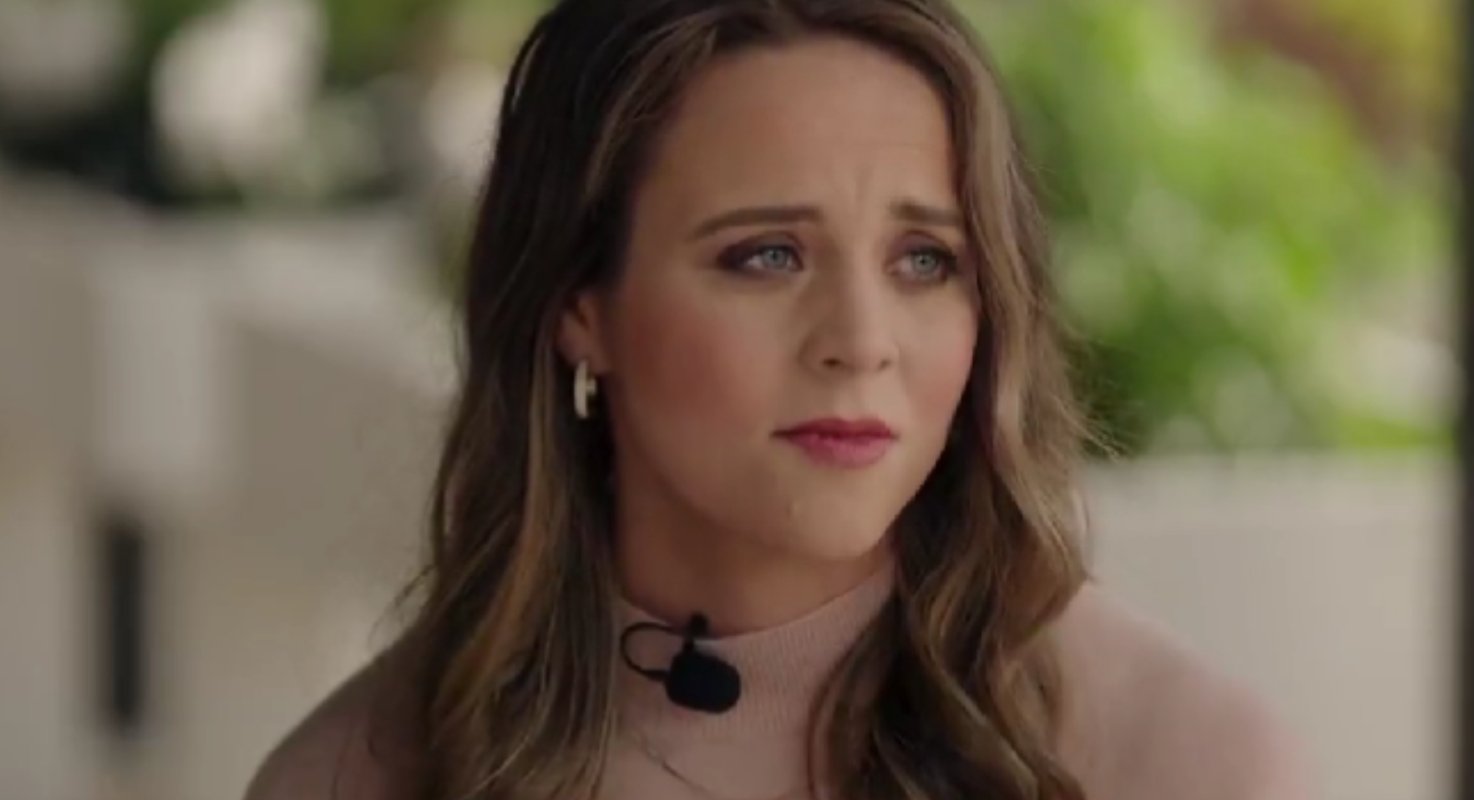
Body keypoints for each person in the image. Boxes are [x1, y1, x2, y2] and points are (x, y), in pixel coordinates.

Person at [245, 1, 1313, 798]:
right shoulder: (359, 776)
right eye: (767, 255)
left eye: (924, 260)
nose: (860, 342)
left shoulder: (1184, 763)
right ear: (580, 304)